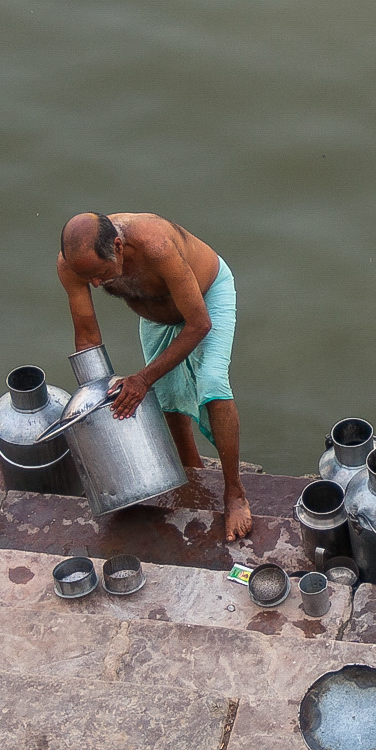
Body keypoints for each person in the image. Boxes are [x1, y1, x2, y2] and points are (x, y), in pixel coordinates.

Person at [56, 211, 251, 540]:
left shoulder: (156, 244)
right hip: (154, 313)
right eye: (87, 278)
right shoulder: (73, 265)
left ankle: (234, 493)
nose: (95, 284)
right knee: (168, 393)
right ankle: (191, 473)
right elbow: (87, 337)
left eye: (101, 275)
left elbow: (199, 324)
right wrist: (93, 404)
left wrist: (142, 378)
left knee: (212, 383)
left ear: (118, 247)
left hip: (205, 299)